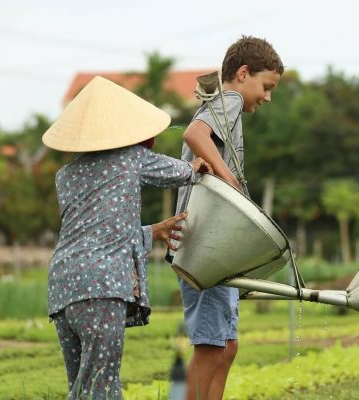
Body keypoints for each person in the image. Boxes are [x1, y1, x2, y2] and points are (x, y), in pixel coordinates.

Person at [42, 76, 212, 399]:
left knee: (82, 385)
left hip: (63, 287)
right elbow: (180, 173)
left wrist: (152, 231)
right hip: (101, 287)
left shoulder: (65, 176)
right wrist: (196, 166)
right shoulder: (131, 159)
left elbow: (98, 231)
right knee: (102, 386)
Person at [174, 35, 284, 400]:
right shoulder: (231, 99)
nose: (267, 97)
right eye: (266, 87)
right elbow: (195, 134)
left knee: (227, 345)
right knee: (210, 347)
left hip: (212, 246)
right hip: (206, 248)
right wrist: (229, 178)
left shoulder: (228, 104)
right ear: (243, 73)